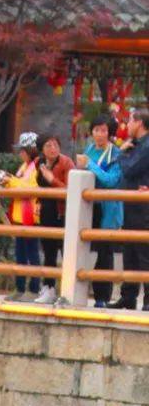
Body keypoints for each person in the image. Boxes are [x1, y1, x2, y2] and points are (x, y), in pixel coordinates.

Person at [76, 114, 124, 308]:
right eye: (96, 130)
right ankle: (80, 290)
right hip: (89, 207)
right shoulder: (89, 149)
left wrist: (89, 165)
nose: (99, 134)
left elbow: (111, 180)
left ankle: (102, 296)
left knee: (105, 253)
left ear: (110, 132)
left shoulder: (116, 154)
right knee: (83, 247)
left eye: (103, 130)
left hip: (107, 209)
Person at [33, 133, 75, 305]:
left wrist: (52, 179)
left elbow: (71, 188)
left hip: (63, 212)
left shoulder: (66, 163)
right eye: (48, 146)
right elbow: (38, 186)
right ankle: (48, 288)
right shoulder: (38, 163)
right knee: (48, 251)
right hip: (46, 211)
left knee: (66, 252)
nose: (53, 149)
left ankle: (68, 291)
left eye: (55, 145)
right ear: (41, 149)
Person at [0, 132, 41, 298]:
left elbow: (29, 189)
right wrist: (9, 182)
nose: (20, 153)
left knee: (32, 253)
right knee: (20, 254)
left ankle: (34, 289)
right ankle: (20, 288)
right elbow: (19, 185)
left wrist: (10, 181)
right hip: (19, 216)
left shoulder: (38, 165)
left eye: (23, 150)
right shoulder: (24, 166)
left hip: (31, 216)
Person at [117, 106, 149, 310]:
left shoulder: (146, 146)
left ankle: (147, 299)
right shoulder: (137, 145)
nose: (127, 125)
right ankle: (128, 296)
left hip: (143, 207)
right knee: (130, 251)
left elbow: (129, 169)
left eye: (129, 121)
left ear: (139, 122)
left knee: (144, 252)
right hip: (132, 204)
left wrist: (121, 154)